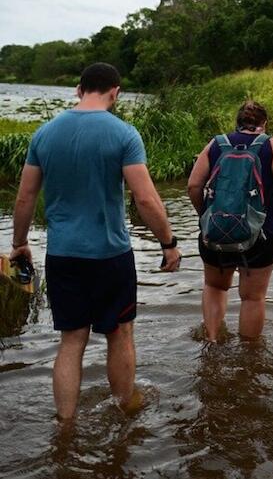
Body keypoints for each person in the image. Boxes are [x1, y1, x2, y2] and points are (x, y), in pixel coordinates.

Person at [9, 62, 181, 421]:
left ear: (78, 89)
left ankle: (65, 427)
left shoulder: (44, 133)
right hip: (109, 255)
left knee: (71, 342)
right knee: (119, 334)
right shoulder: (124, 134)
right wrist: (168, 242)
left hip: (62, 254)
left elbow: (25, 199)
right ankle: (124, 413)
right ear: (115, 92)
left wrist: (19, 243)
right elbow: (146, 199)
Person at [187, 100, 273, 342]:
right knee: (252, 298)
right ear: (264, 124)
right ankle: (248, 361)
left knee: (215, 287)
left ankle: (213, 343)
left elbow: (194, 185)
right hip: (262, 235)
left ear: (236, 124)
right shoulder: (272, 145)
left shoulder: (216, 144)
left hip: (215, 231)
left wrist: (203, 215)